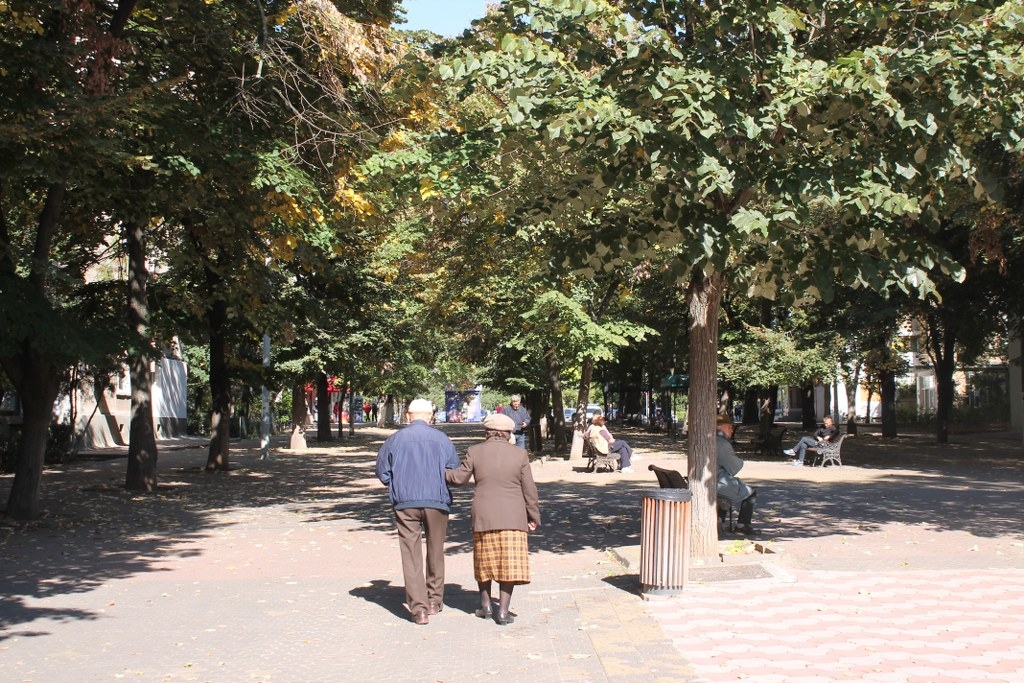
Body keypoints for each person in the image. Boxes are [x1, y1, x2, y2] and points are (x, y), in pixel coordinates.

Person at [445, 412, 541, 626]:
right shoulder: (520, 454)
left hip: (484, 515)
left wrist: (441, 472)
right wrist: (533, 515)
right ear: (509, 433)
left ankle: (486, 606)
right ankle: (504, 612)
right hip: (513, 516)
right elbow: (530, 490)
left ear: (486, 432)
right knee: (510, 563)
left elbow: (459, 478)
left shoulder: (475, 451)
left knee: (484, 560)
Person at [375, 398, 460, 625]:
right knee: (436, 550)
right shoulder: (442, 439)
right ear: (430, 416)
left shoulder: (394, 440)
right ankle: (434, 600)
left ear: (408, 416)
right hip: (437, 501)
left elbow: (383, 473)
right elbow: (454, 471)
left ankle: (419, 609)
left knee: (410, 554)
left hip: (405, 503)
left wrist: (398, 484)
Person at [715, 413, 757, 535]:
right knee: (750, 491)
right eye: (729, 427)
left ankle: (720, 519)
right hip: (716, 483)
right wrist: (740, 461)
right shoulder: (721, 444)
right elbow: (734, 467)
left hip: (711, 481)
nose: (732, 430)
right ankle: (743, 524)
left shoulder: (711, 439)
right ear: (720, 427)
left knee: (730, 486)